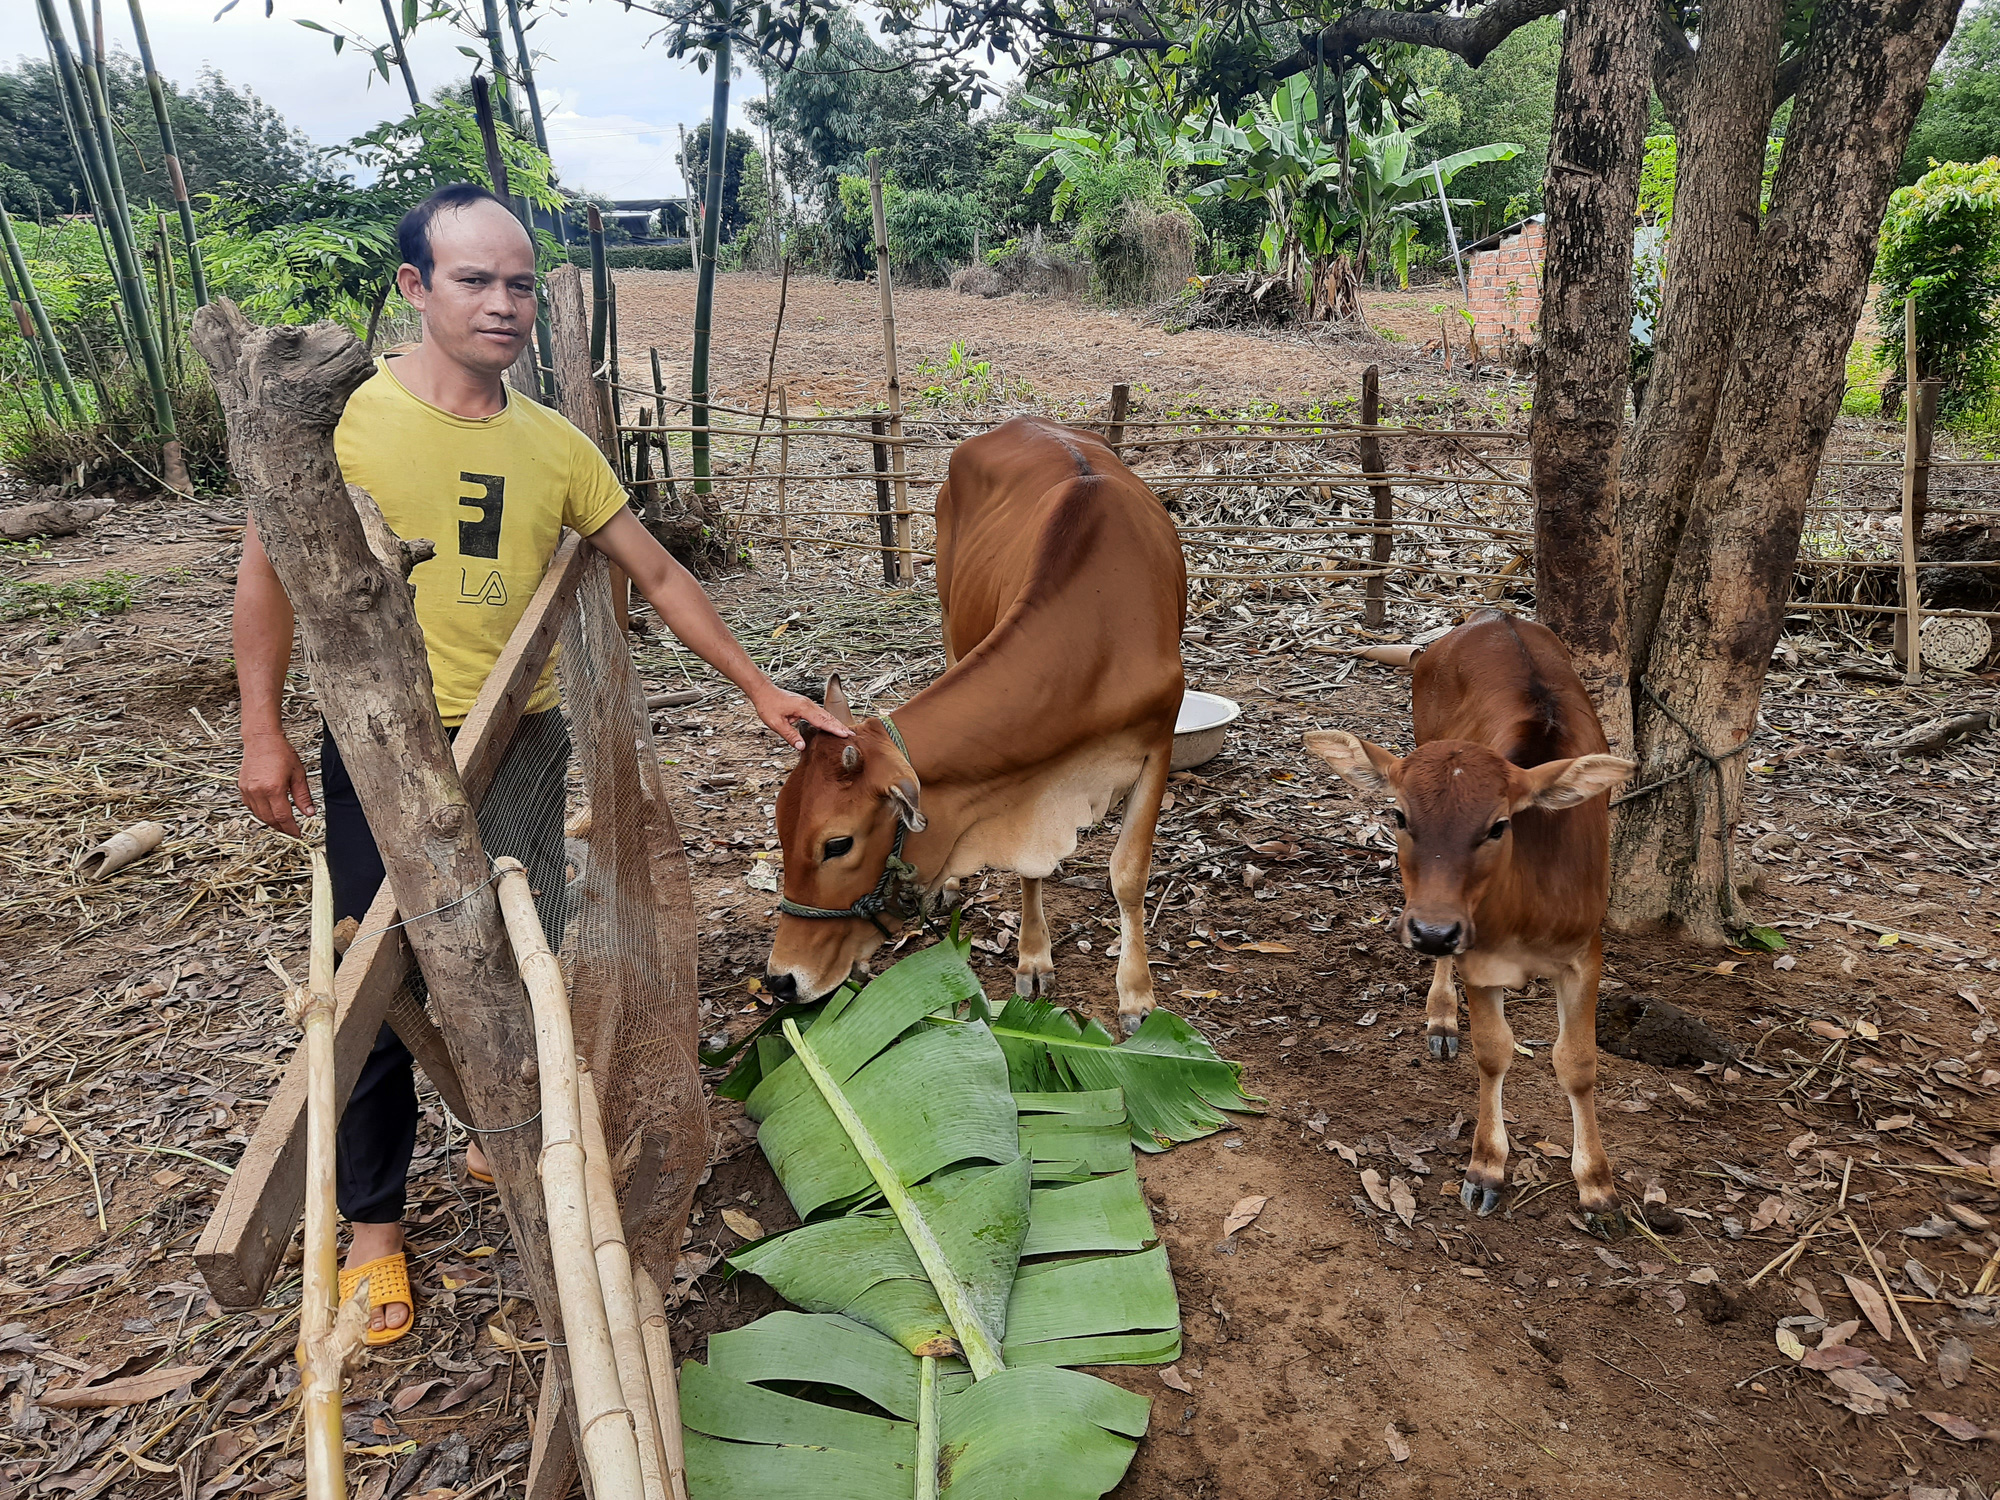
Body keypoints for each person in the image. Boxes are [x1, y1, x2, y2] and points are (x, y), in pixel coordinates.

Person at [232, 182, 846, 1343]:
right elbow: (264, 576)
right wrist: (263, 729)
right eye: (475, 280)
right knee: (375, 983)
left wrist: (759, 687)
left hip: (521, 740)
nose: (503, 304)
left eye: (519, 283)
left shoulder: (553, 443)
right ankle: (372, 1233)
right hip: (383, 744)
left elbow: (657, 574)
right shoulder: (345, 421)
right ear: (415, 288)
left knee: (518, 958)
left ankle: (495, 1128)